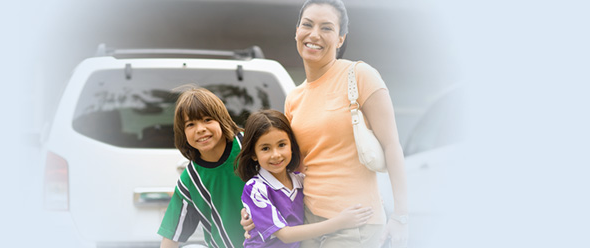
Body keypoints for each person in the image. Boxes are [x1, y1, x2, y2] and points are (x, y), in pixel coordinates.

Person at [241, 0, 410, 247]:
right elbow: (293, 165)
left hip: (355, 222)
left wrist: (401, 216)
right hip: (309, 222)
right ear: (296, 31)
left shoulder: (359, 75)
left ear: (341, 39)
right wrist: (257, 211)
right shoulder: (294, 97)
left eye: (327, 28)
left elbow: (392, 146)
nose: (314, 35)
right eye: (307, 25)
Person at [236, 109, 372, 248]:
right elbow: (285, 235)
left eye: (282, 145)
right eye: (265, 148)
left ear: (291, 146)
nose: (276, 154)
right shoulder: (255, 189)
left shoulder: (301, 181)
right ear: (253, 154)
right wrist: (340, 222)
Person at [157, 86, 247, 248]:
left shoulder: (248, 147)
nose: (200, 129)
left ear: (221, 120)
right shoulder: (191, 179)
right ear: (183, 133)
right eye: (190, 124)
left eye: (207, 120)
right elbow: (170, 236)